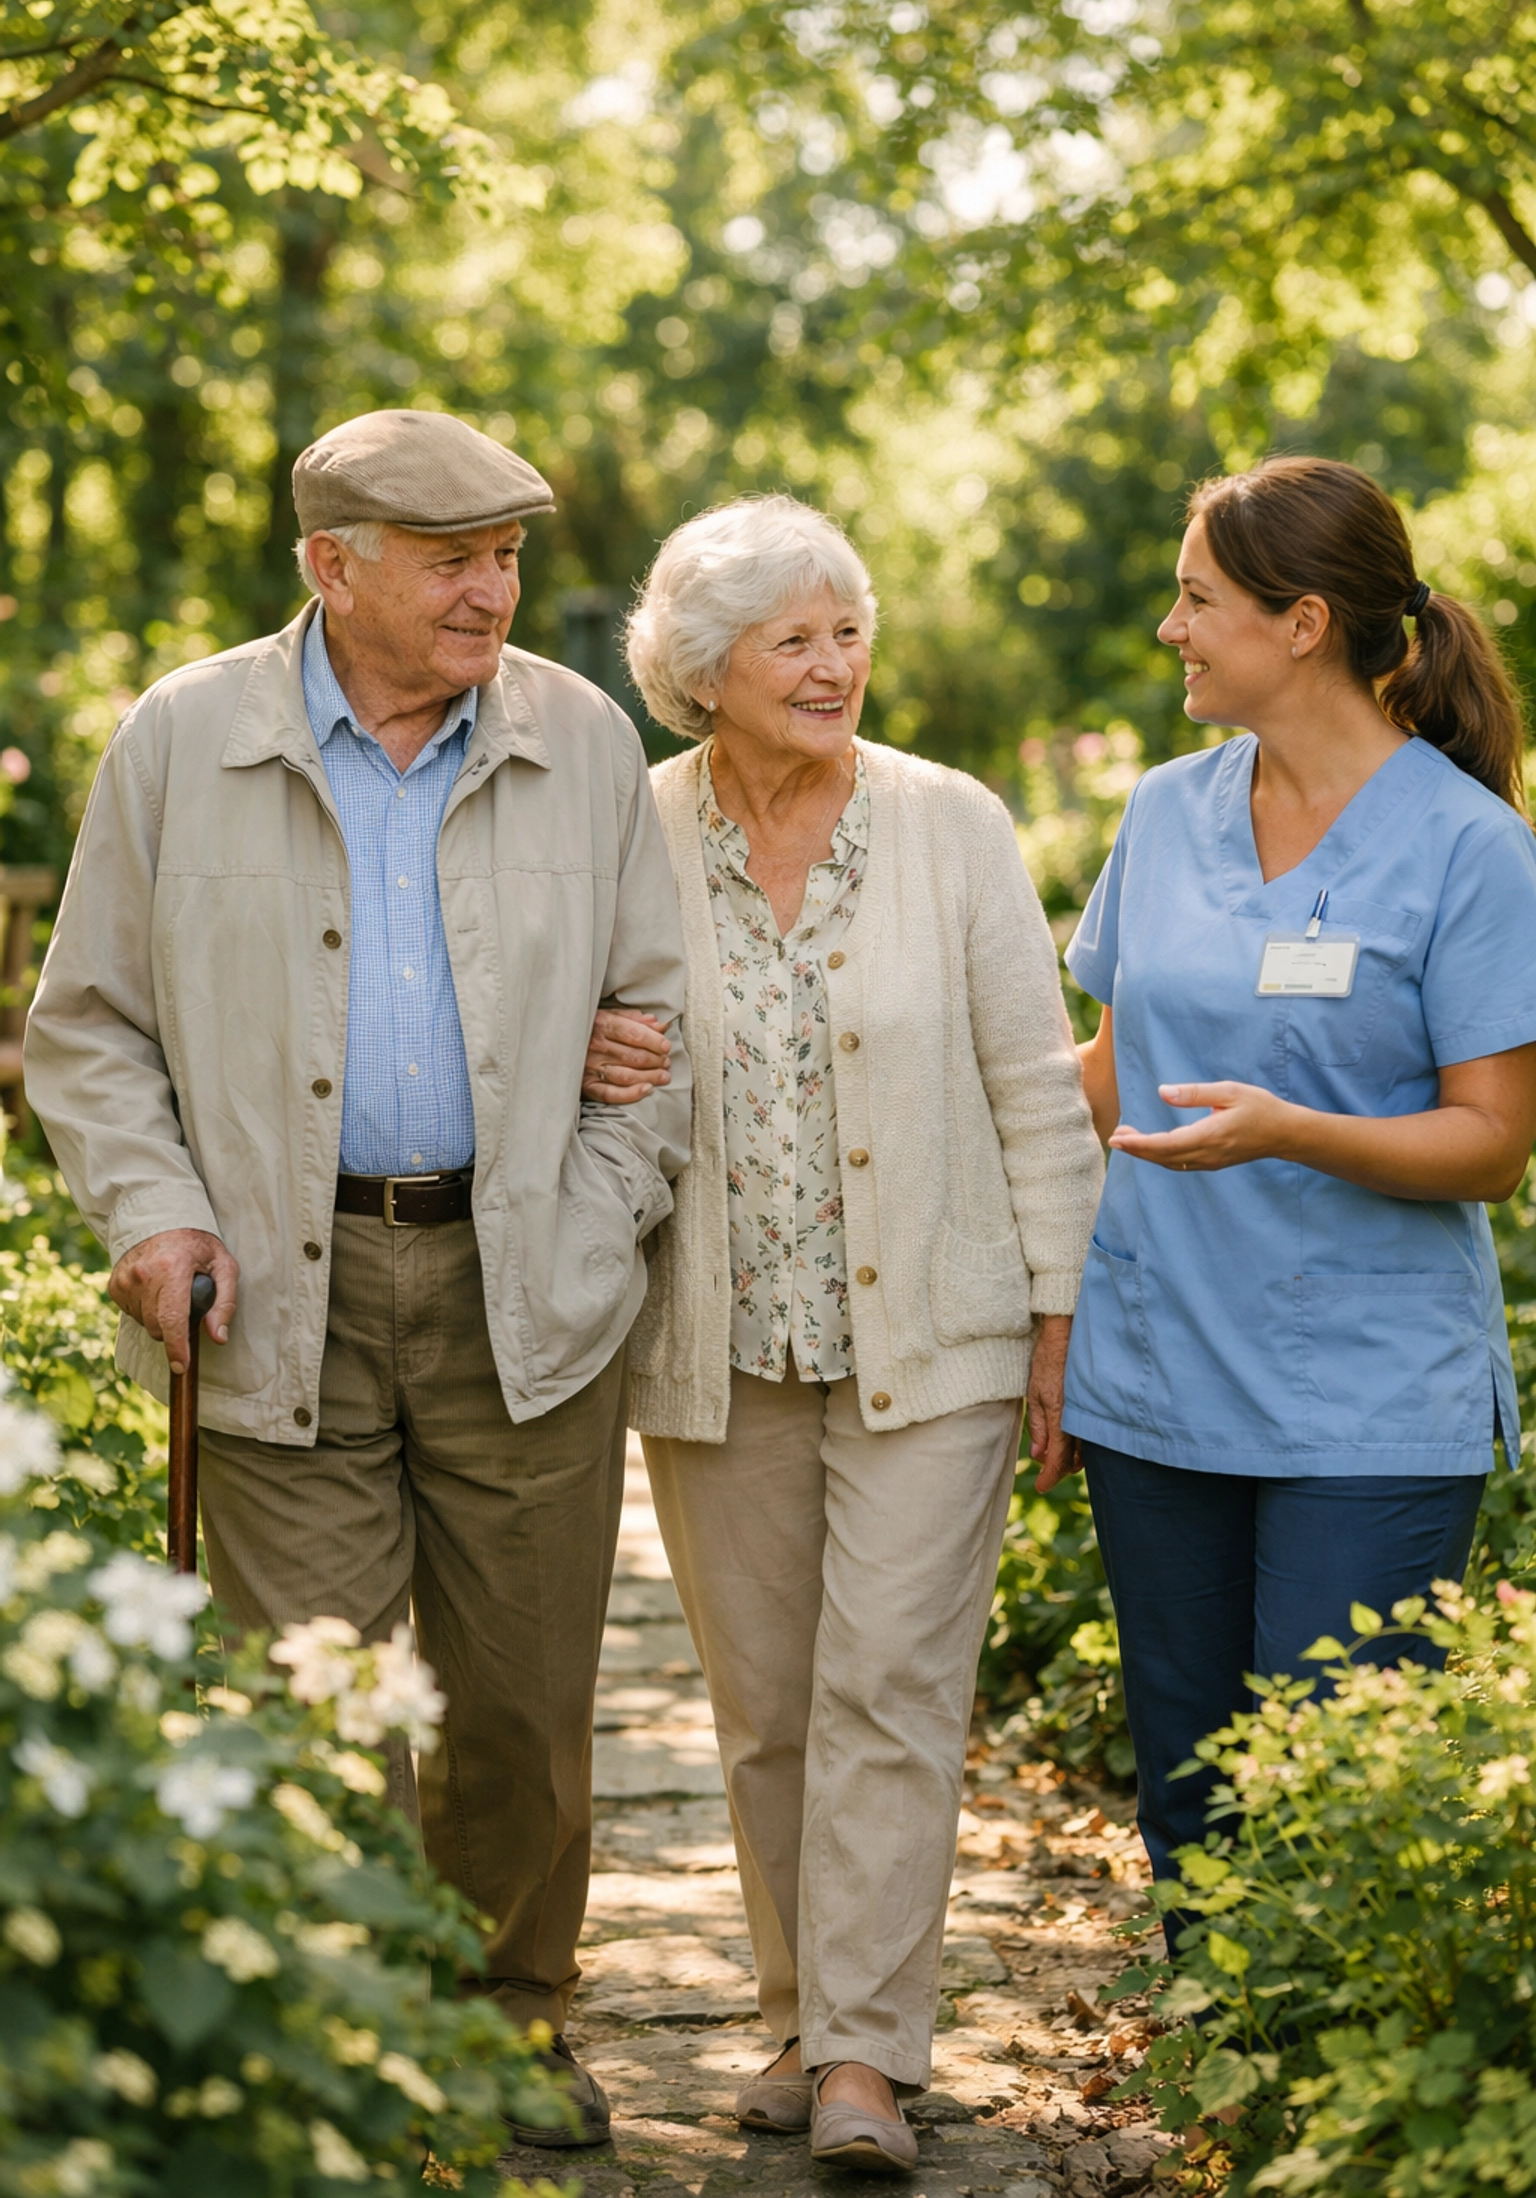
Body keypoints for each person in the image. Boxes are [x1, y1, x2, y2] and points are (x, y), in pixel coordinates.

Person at [25, 407, 692, 2147]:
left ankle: (510, 2021)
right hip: (277, 1286)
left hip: (523, 1286)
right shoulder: (184, 737)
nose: (497, 591)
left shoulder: (584, 739)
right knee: (317, 1698)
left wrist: (603, 1212)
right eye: (454, 559)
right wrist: (156, 1217)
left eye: (509, 557)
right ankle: (355, 2031)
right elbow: (87, 1031)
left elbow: (660, 1025)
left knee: (528, 1712)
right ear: (334, 568)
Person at [583, 495, 1102, 2172]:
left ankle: (869, 2059)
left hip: (934, 1335)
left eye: (848, 630)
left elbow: (1035, 1086)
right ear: (699, 669)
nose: (835, 664)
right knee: (768, 1706)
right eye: (793, 639)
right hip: (714, 1340)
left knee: (891, 1682)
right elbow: (554, 1026)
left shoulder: (952, 825)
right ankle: (801, 2016)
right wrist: (591, 1054)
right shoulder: (627, 830)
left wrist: (1056, 1312)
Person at [1061, 455, 1536, 1905]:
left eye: (1198, 598)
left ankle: (1310, 2121)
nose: (1170, 628)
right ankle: (1218, 2090)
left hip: (1369, 1407)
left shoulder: (1470, 848)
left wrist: (1294, 1129)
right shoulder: (1163, 811)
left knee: (1331, 1788)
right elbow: (1103, 1072)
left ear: (1304, 621)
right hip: (1160, 1379)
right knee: (1194, 1785)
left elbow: (1497, 1143)